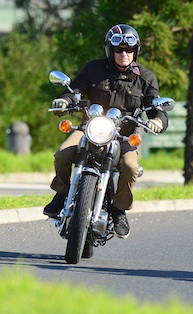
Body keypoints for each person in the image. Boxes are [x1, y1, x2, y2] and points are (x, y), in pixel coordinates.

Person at [43, 24, 168, 239]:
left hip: (123, 136)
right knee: (63, 153)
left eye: (128, 50)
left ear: (135, 51)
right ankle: (62, 194)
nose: (124, 54)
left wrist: (157, 119)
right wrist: (64, 100)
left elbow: (155, 106)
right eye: (119, 50)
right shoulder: (94, 69)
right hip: (89, 129)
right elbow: (76, 90)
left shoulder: (145, 78)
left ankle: (119, 210)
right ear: (110, 50)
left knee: (129, 167)